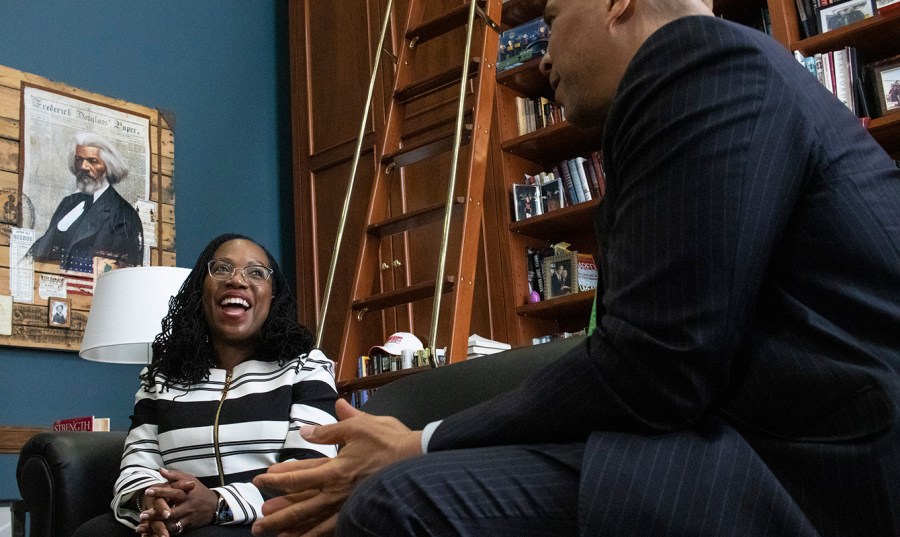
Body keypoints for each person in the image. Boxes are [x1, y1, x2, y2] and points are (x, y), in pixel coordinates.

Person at [251, 0, 900, 535]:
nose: (540, 56)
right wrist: (421, 440)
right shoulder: (695, 83)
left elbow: (657, 365)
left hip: (818, 465)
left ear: (618, 4)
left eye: (552, 20)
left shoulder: (699, 62)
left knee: (397, 501)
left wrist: (418, 444)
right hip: (739, 432)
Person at [72, 233, 339, 537]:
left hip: (269, 521)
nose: (237, 280)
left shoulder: (305, 367)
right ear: (201, 290)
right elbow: (138, 466)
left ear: (273, 296)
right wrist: (152, 501)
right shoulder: (161, 377)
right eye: (222, 269)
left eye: (255, 272)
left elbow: (311, 472)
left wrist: (217, 504)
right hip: (180, 520)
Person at [29, 132, 143, 270]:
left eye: (93, 161)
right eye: (79, 159)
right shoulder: (68, 202)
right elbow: (44, 245)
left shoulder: (124, 215)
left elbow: (115, 270)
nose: (83, 167)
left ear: (108, 167)